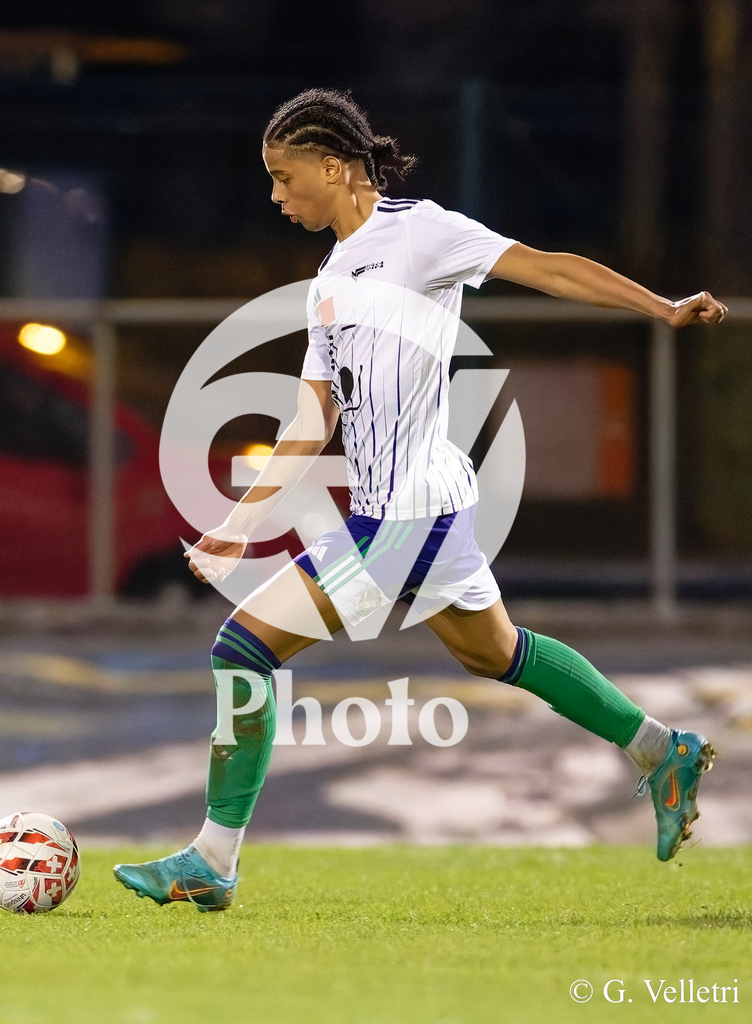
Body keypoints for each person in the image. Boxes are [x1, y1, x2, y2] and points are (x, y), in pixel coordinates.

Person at [114, 88, 726, 912]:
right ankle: (663, 750)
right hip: (414, 512)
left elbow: (543, 266)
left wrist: (658, 307)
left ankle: (211, 861)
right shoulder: (328, 283)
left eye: (283, 177)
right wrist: (236, 524)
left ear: (334, 168)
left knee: (242, 650)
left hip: (408, 517)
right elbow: (309, 421)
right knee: (494, 654)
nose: (274, 196)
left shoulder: (422, 232)